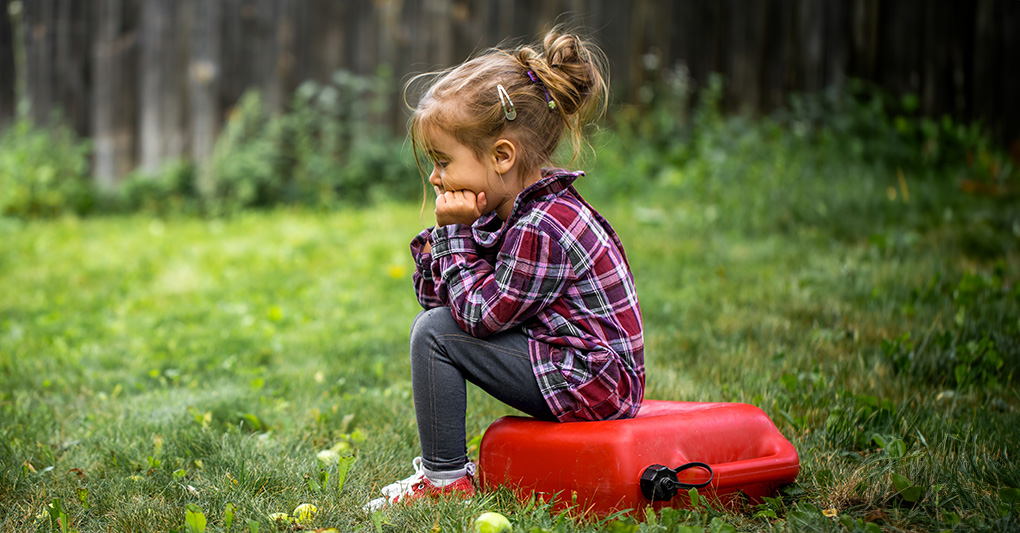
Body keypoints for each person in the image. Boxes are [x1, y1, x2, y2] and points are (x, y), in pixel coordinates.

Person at [365, 27, 644, 511]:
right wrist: (455, 238)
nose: (435, 177)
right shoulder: (505, 211)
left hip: (595, 380)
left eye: (442, 161)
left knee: (434, 335)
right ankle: (444, 477)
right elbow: (443, 300)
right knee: (435, 329)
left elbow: (475, 318)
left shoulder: (543, 225)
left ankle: (445, 482)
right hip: (573, 365)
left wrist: (451, 235)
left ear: (501, 156)